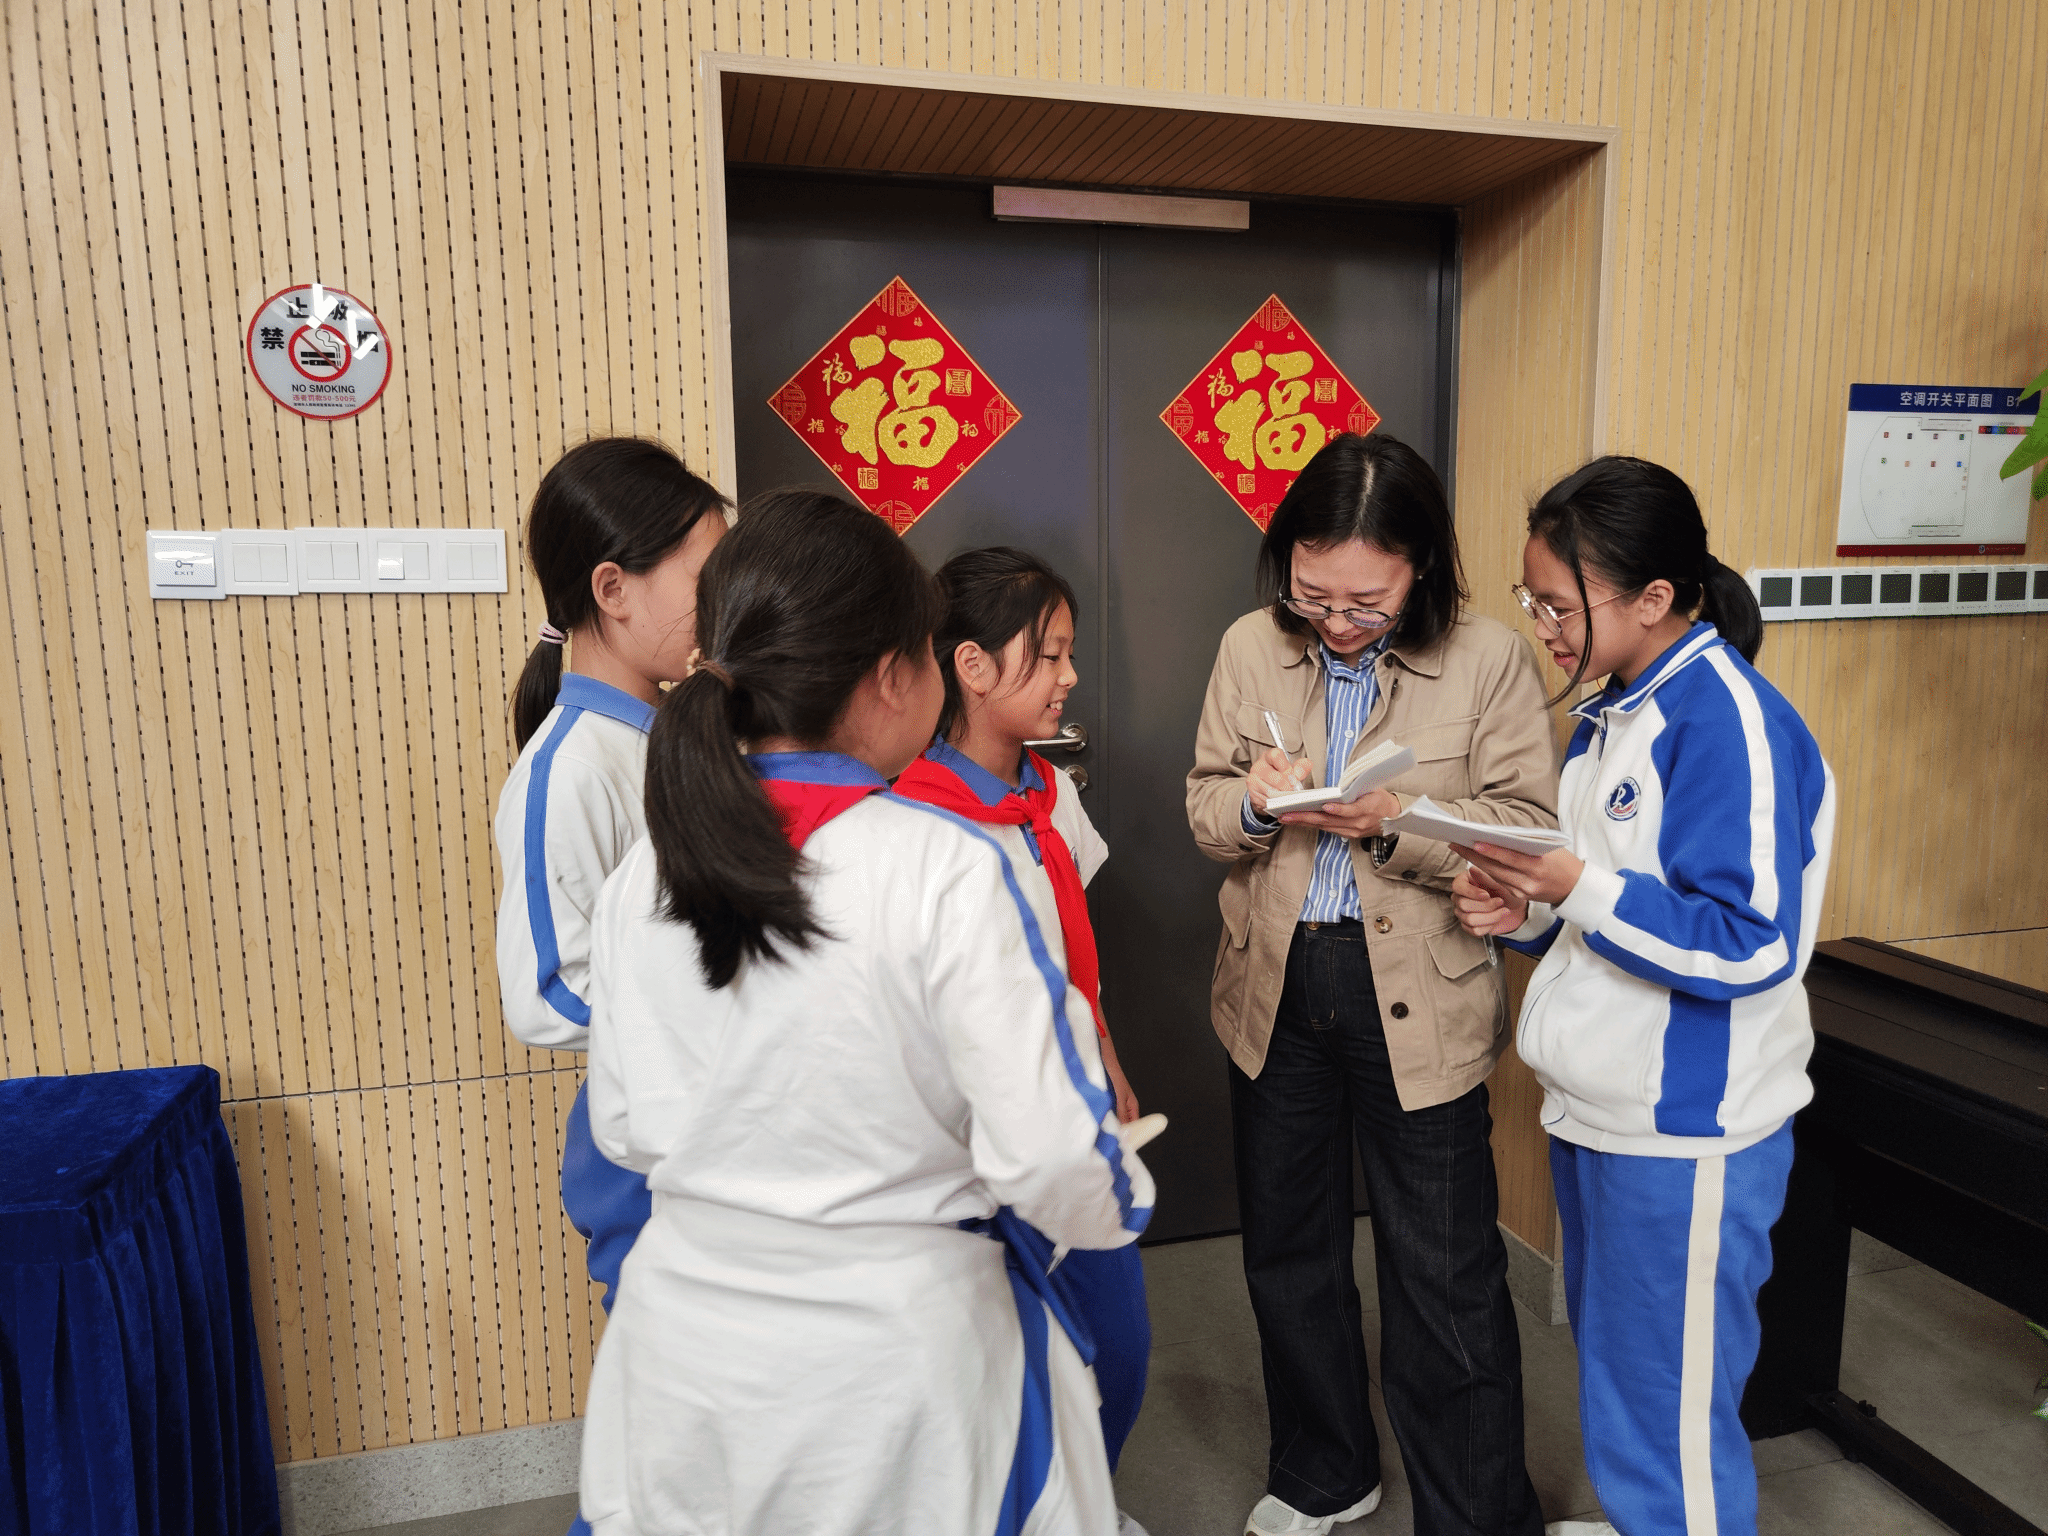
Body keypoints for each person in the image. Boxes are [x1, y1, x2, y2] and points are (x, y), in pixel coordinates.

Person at [579, 490, 1153, 1536]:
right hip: (896, 1362)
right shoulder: (943, 866)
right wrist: (1119, 1202)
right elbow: (1054, 1158)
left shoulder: (646, 873)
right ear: (893, 676)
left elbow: (621, 1127)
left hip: (684, 1350)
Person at [1451, 457, 1835, 1536]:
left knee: (1673, 1410)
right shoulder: (1610, 715)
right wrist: (1521, 911)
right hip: (1600, 1107)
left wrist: (1573, 886)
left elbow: (1748, 943)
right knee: (1622, 1368)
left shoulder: (1729, 724)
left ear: (1654, 598)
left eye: (1559, 607)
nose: (1543, 628)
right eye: (1532, 601)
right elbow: (1602, 910)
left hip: (1689, 1129)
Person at [1186, 431, 1555, 1536]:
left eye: (1365, 602)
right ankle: (1323, 1470)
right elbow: (1205, 807)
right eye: (1313, 596)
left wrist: (1394, 823)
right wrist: (1257, 804)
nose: (1336, 622)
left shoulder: (1488, 660)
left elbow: (1525, 828)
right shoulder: (1249, 645)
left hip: (1421, 987)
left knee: (1443, 1270)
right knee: (1289, 1249)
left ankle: (1476, 1514)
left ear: (1420, 568)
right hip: (1275, 982)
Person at [490, 437, 727, 1536]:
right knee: (668, 1460)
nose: (719, 603)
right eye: (702, 576)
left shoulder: (675, 736)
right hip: (645, 1154)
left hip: (708, 1128)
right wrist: (695, 1022)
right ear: (612, 588)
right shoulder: (567, 768)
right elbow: (544, 994)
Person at [893, 546, 1152, 1490]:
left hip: (1067, 1106)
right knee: (994, 1369)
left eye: (1068, 654)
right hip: (967, 1133)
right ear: (971, 665)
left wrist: (1107, 1058)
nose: (1069, 676)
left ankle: (1089, 1501)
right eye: (1047, 656)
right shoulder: (908, 814)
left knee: (1116, 1345)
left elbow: (1075, 956)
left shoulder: (1051, 794)